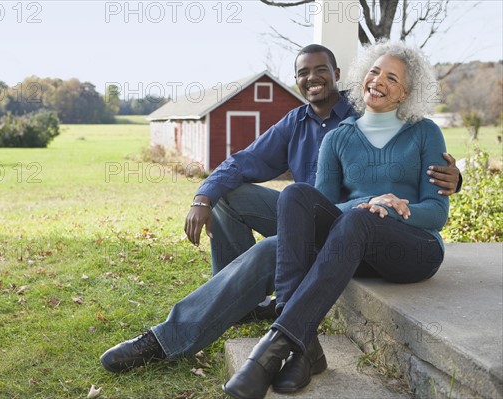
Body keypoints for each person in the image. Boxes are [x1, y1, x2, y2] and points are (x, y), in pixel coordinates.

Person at [100, 44, 459, 375]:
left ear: (338, 74)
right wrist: (203, 196)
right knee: (237, 197)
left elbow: (430, 186)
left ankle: (218, 329)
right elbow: (247, 163)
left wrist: (452, 180)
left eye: (322, 70)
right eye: (303, 72)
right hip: (320, 218)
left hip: (370, 232)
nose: (312, 78)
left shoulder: (380, 113)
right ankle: (196, 321)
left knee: (273, 247)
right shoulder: (300, 123)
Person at [223, 40, 450, 399]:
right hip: (355, 250)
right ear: (362, 77)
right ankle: (304, 347)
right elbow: (323, 212)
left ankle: (274, 348)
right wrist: (368, 202)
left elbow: (436, 213)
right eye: (375, 71)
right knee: (297, 194)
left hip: (413, 251)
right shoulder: (339, 137)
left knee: (359, 221)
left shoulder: (425, 132)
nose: (378, 80)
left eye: (392, 78)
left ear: (405, 92)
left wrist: (389, 208)